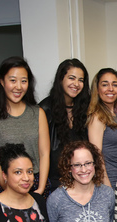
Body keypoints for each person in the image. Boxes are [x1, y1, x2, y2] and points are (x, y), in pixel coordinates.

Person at [0, 56, 51, 196]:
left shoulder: (38, 113)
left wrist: (41, 188)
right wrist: (10, 191)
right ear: (1, 81)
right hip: (6, 185)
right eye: (12, 80)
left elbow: (44, 153)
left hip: (36, 183)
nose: (18, 87)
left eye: (23, 81)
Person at [39, 59, 90, 190]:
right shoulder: (44, 109)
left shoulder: (86, 108)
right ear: (61, 79)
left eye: (81, 80)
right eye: (71, 78)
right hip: (55, 182)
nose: (76, 84)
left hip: (82, 178)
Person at [87, 68, 117, 188]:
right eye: (105, 84)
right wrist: (106, 183)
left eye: (114, 84)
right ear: (97, 89)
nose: (110, 89)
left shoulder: (114, 114)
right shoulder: (97, 117)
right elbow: (96, 155)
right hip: (108, 179)